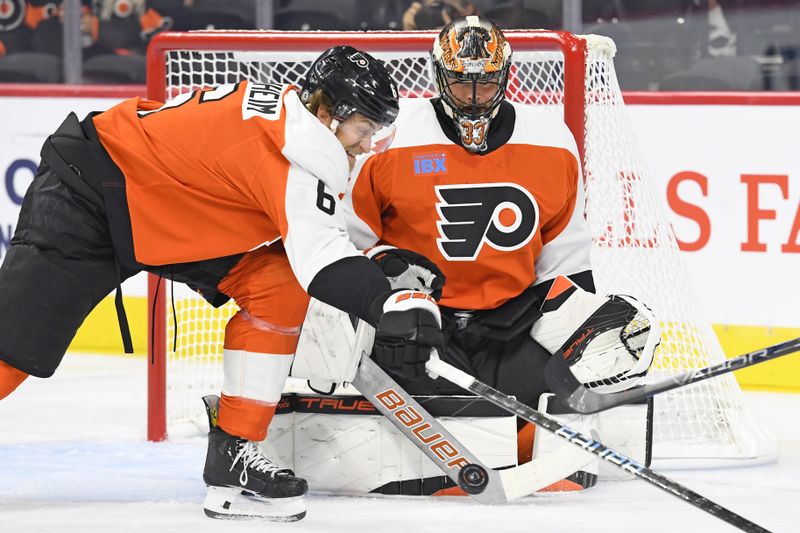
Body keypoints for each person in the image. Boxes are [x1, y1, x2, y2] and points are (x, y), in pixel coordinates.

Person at [0, 45, 444, 521]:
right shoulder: (299, 148)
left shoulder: (301, 126)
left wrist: (381, 260)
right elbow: (322, 260)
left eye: (377, 131)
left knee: (278, 285)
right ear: (328, 112)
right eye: (364, 128)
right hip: (89, 195)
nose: (367, 143)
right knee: (12, 352)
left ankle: (234, 453)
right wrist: (389, 302)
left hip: (170, 205)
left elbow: (325, 224)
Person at [342, 16, 659, 491]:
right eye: (460, 83)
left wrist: (578, 334)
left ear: (506, 76)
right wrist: (388, 287)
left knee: (624, 327)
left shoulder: (551, 140)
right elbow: (348, 241)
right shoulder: (392, 140)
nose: (473, 96)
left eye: (486, 82)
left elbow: (565, 255)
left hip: (510, 319)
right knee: (413, 417)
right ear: (438, 76)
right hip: (424, 321)